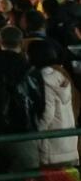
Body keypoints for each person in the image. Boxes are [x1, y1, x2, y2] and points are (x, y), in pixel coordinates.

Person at [0, 25, 44, 173]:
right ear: (21, 43)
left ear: (0, 42)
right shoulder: (31, 70)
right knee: (25, 172)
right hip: (24, 129)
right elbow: (39, 102)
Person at [27, 39, 79, 167]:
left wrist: (36, 133)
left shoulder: (43, 79)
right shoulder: (60, 75)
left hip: (52, 143)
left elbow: (47, 112)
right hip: (67, 139)